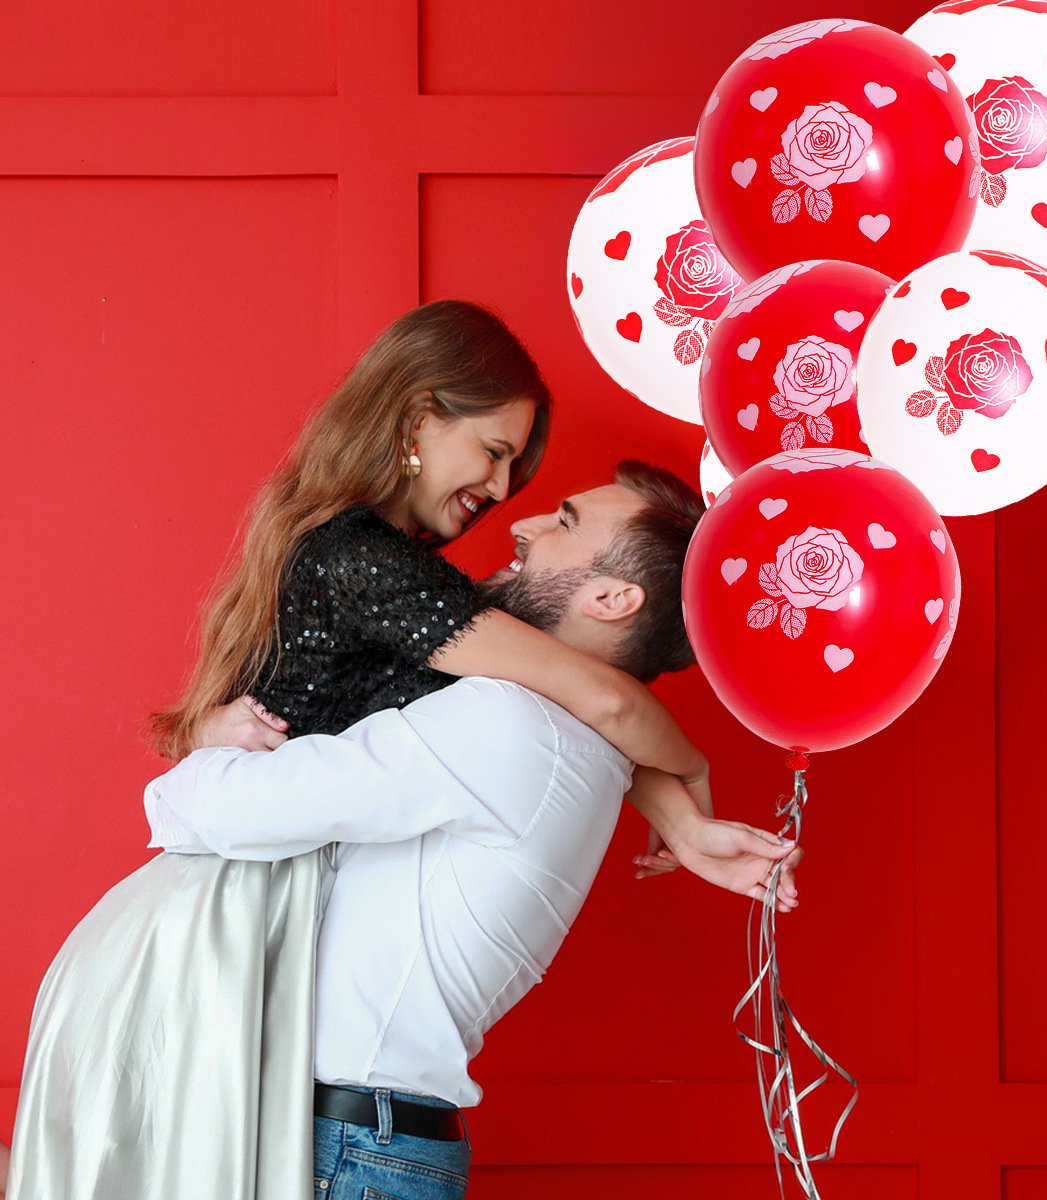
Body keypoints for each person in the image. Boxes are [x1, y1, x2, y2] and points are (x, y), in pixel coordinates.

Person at [5, 302, 722, 1199]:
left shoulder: (428, 610)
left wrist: (664, 791)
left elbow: (594, 699)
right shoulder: (366, 562)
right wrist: (681, 783)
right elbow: (603, 696)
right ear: (420, 419)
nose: (509, 501)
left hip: (243, 913)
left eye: (537, 490)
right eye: (496, 453)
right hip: (217, 918)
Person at [141, 465, 802, 1199]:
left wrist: (208, 740)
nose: (523, 524)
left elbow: (208, 812)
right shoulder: (577, 744)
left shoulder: (506, 724)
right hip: (366, 1142)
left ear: (612, 597)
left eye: (565, 520)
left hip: (347, 1148)